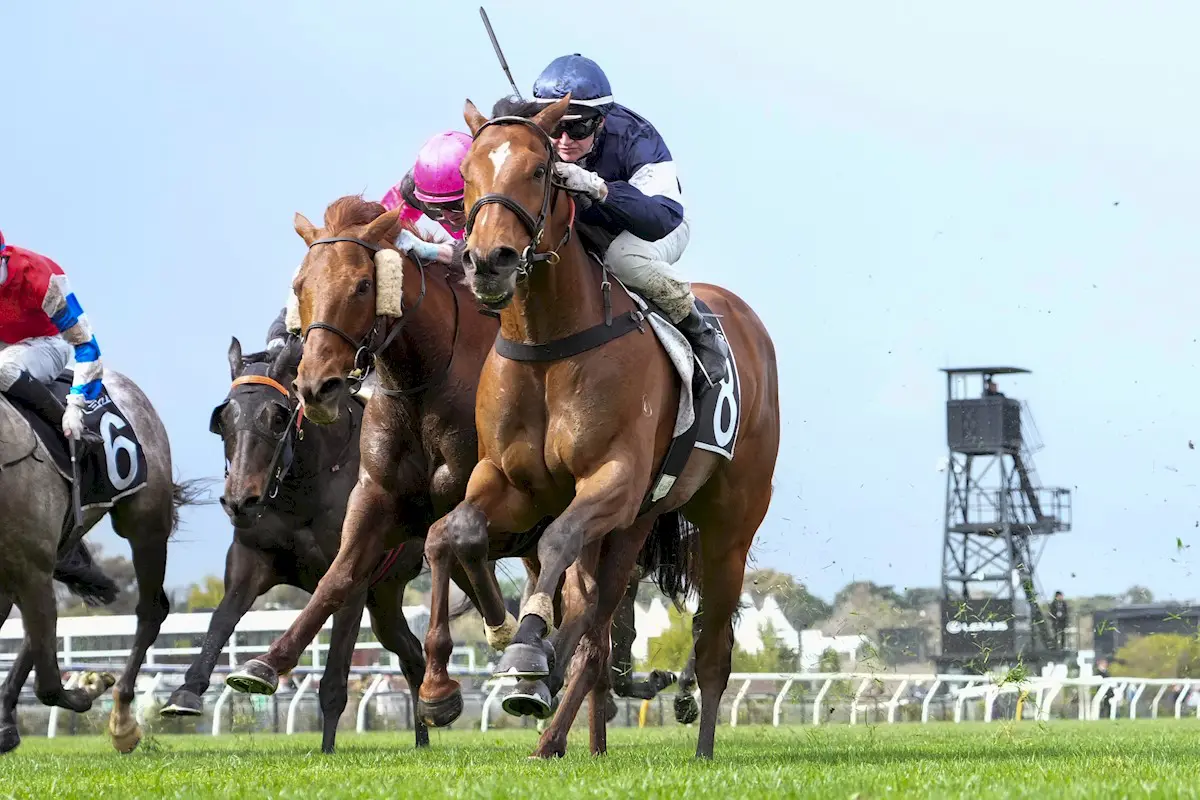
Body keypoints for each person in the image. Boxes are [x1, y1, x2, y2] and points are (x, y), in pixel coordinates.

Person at [528, 53, 729, 386]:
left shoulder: (638, 139)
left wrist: (598, 188)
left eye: (577, 128)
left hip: (655, 227)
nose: (564, 141)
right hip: (586, 226)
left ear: (601, 121)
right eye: (556, 127)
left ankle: (698, 330)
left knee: (623, 258)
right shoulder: (534, 129)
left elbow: (662, 218)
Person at [0, 230, 103, 444]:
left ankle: (66, 430)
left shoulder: (39, 279)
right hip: (6, 340)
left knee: (2, 369)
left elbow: (86, 346)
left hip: (51, 342)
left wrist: (75, 405)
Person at [380, 131, 474, 268]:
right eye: (435, 207)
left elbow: (487, 253)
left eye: (457, 205)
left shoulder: (504, 191)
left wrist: (432, 251)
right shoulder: (411, 190)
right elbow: (380, 224)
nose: (449, 216)